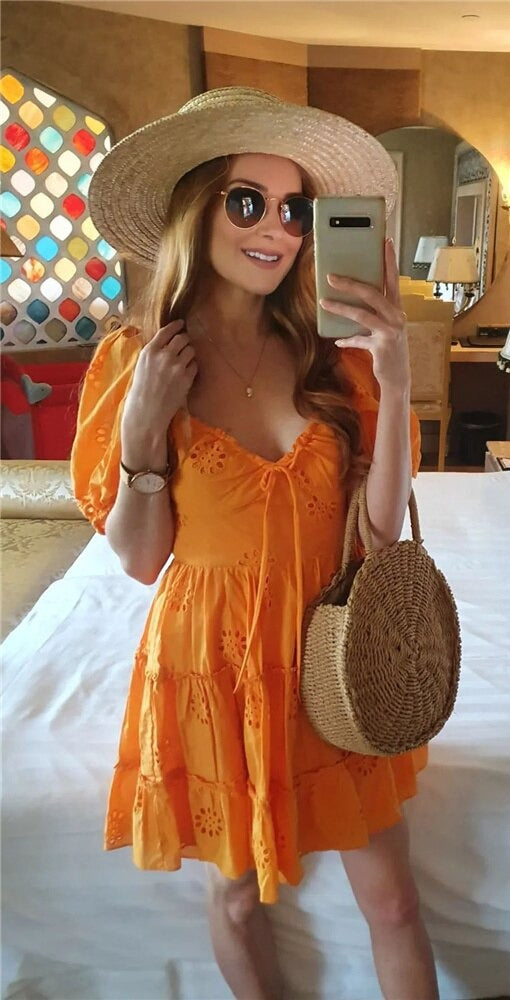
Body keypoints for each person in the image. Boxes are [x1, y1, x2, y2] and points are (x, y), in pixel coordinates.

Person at [70, 87, 438, 999]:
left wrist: (396, 381)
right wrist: (142, 431)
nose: (278, 228)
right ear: (198, 210)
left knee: (394, 904)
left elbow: (379, 531)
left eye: (296, 209)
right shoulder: (138, 361)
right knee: (236, 900)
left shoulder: (331, 358)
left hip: (333, 657)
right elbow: (141, 561)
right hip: (213, 663)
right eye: (249, 202)